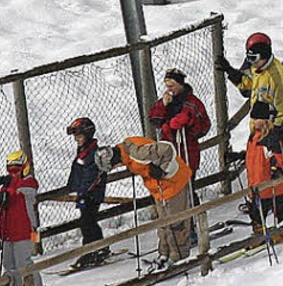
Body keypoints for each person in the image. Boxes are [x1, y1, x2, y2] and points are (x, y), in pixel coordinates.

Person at [96, 136, 192, 268]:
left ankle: (179, 255)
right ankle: (164, 253)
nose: (117, 167)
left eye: (113, 166)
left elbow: (167, 149)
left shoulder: (138, 153)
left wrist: (162, 170)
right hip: (160, 188)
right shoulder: (126, 152)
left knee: (176, 222)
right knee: (163, 222)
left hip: (174, 183)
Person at [0, 150, 44, 286]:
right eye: (10, 169)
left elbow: (24, 191)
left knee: (24, 264)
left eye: (16, 169)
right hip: (7, 232)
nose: (13, 172)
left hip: (24, 231)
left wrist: (9, 187)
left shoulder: (28, 182)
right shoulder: (5, 185)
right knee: (9, 265)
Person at [216, 32, 283, 142]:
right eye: (248, 58)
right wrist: (230, 70)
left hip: (269, 130)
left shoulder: (276, 78)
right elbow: (249, 83)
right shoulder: (259, 69)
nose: (251, 62)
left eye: (253, 58)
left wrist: (275, 131)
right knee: (255, 153)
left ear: (264, 55)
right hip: (258, 126)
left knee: (265, 157)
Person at [148, 68, 211, 177]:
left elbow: (204, 126)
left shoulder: (192, 103)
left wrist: (190, 122)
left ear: (180, 85)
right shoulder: (164, 101)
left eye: (171, 86)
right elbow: (154, 120)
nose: (169, 89)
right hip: (169, 151)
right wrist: (163, 105)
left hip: (188, 151)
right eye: (167, 86)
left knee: (187, 180)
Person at [242, 100, 283, 231]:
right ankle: (259, 231)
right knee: (256, 214)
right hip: (257, 184)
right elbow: (253, 155)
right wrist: (238, 156)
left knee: (280, 207)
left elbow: (276, 157)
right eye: (253, 119)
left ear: (266, 121)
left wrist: (277, 169)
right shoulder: (253, 138)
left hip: (271, 184)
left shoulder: (270, 138)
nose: (254, 122)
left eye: (257, 119)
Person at [65, 116, 108, 270]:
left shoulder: (93, 154)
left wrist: (84, 192)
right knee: (88, 222)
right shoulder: (83, 152)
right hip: (84, 193)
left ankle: (92, 250)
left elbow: (92, 176)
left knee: (87, 222)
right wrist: (72, 187)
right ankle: (99, 247)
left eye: (79, 136)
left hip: (91, 194)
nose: (76, 139)